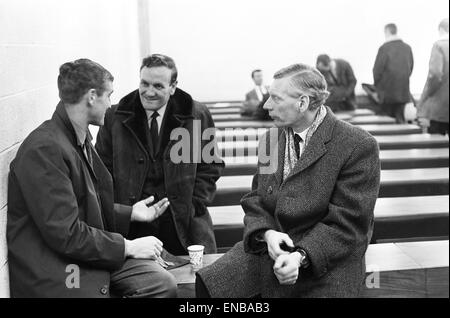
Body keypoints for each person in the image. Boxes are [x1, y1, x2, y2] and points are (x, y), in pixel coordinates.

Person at [196, 63, 380, 298]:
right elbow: (256, 200)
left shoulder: (357, 145)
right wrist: (266, 234)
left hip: (325, 259)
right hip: (272, 248)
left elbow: (348, 224)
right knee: (209, 285)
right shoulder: (271, 140)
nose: (266, 105)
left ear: (302, 103)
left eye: (275, 98)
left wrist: (300, 256)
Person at [7, 59, 178, 298]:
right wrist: (129, 246)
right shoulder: (45, 149)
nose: (110, 104)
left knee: (161, 280)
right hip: (59, 268)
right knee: (157, 283)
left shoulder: (77, 134)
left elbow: (83, 205)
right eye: (108, 96)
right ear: (91, 96)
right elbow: (66, 234)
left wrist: (131, 213)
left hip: (80, 254)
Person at [95, 54, 224, 256]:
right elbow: (102, 169)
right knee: (141, 284)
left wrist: (193, 204)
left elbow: (211, 165)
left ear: (173, 87)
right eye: (144, 83)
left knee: (199, 280)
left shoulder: (197, 114)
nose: (149, 92)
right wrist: (122, 211)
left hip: (184, 223)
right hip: (134, 224)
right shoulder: (115, 116)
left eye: (158, 86)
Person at [373, 23, 414, 123]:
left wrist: (378, 88)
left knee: (386, 123)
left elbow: (377, 71)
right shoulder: (407, 48)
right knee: (400, 121)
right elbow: (411, 67)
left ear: (387, 32)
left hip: (387, 94)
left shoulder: (384, 48)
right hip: (403, 92)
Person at [417, 18, 449, 135]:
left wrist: (428, 94)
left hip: (440, 107)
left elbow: (435, 74)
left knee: (437, 146)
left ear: (441, 29)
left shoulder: (439, 46)